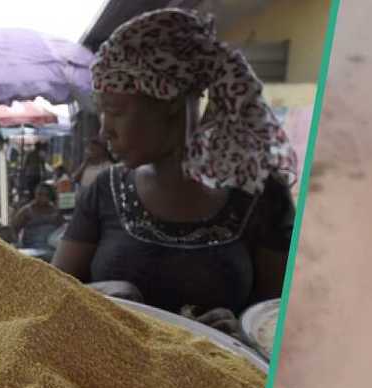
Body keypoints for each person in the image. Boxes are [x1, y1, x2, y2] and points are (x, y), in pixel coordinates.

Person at [52, 8, 298, 336]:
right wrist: (106, 295)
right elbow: (51, 297)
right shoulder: (104, 192)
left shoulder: (262, 196)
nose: (104, 132)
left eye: (115, 111)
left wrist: (242, 331)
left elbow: (279, 324)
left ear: (169, 102)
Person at [12, 184, 65, 250]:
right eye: (40, 194)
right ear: (35, 194)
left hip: (51, 248)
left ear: (49, 196)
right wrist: (17, 243)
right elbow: (15, 227)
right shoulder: (26, 211)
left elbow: (62, 228)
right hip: (31, 247)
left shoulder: (55, 211)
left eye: (46, 195)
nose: (43, 197)